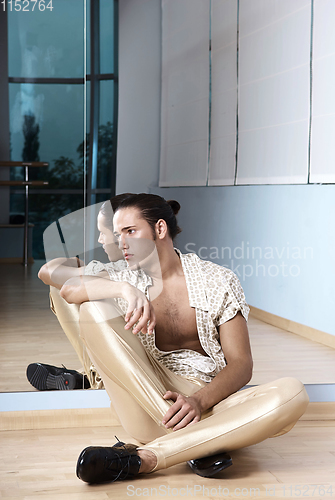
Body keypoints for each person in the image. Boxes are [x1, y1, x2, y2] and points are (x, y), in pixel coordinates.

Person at [37, 193, 309, 483]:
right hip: (148, 404)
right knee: (93, 308)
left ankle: (145, 458)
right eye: (118, 234)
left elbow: (241, 365)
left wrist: (197, 402)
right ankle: (195, 442)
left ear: (160, 229)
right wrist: (124, 291)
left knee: (291, 394)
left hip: (207, 403)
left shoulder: (217, 280)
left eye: (130, 231)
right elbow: (64, 287)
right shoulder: (121, 275)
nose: (121, 243)